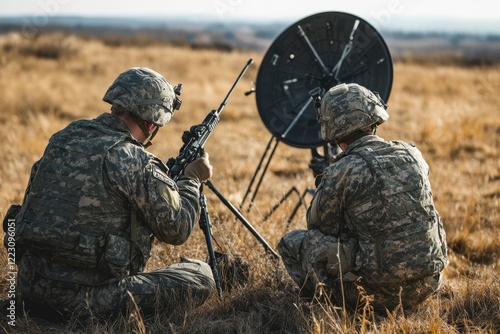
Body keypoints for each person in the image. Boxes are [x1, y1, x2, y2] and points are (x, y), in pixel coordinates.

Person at [4, 67, 215, 320]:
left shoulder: (62, 138)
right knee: (201, 276)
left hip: (29, 287)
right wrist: (192, 179)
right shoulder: (133, 159)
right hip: (85, 300)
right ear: (151, 123)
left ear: (116, 104)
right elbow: (177, 229)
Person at [277, 83, 449, 312]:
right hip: (429, 285)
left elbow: (319, 227)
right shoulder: (413, 154)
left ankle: (320, 307)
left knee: (292, 242)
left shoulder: (342, 170)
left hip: (379, 297)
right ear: (373, 116)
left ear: (331, 127)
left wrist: (331, 182)